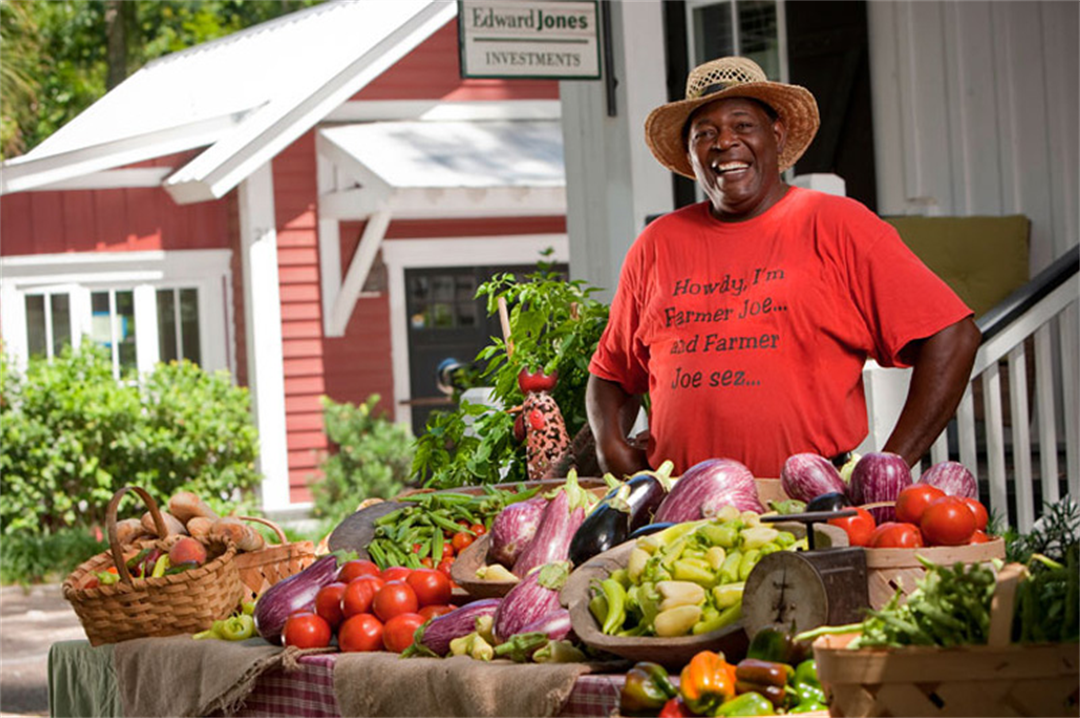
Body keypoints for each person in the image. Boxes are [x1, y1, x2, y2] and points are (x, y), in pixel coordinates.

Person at [586, 56, 981, 480]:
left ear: (776, 134)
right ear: (690, 154)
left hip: (811, 504)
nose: (724, 142)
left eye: (743, 125)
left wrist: (891, 466)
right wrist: (609, 444)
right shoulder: (657, 245)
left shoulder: (838, 225)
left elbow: (954, 336)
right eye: (705, 133)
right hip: (680, 507)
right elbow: (611, 373)